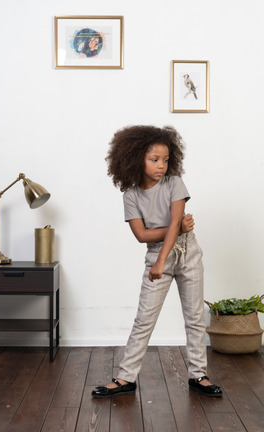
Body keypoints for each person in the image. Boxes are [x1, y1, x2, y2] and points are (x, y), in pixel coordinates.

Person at [92, 125, 222, 399]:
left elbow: (176, 220)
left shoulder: (174, 183)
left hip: (187, 254)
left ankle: (198, 375)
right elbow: (142, 235)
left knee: (195, 318)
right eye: (154, 160)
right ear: (135, 158)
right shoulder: (131, 196)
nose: (161, 165)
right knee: (144, 320)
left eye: (165, 159)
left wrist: (171, 243)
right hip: (156, 257)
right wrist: (166, 249)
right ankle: (126, 378)